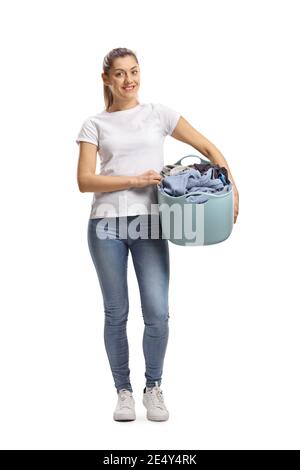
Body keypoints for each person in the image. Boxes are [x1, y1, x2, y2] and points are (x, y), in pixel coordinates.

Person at [76, 47, 240, 422]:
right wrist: (135, 179)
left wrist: (234, 187)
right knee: (116, 313)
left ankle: (154, 388)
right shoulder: (93, 124)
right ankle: (123, 392)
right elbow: (85, 180)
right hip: (106, 224)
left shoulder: (158, 114)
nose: (129, 80)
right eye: (119, 74)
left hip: (151, 223)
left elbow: (208, 147)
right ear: (106, 79)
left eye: (134, 72)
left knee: (158, 313)